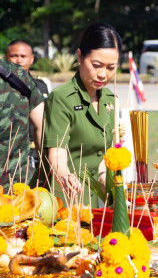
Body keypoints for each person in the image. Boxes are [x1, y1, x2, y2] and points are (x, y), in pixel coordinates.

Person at [40, 22, 121, 203]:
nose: (103, 74)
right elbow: (57, 153)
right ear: (79, 56)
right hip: (71, 195)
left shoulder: (110, 99)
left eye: (110, 68)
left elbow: (105, 152)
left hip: (103, 197)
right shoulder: (62, 98)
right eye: (97, 65)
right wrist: (65, 176)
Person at [6, 40, 51, 170]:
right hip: (11, 152)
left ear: (31, 59)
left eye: (23, 56)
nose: (19, 60)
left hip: (37, 149)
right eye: (14, 56)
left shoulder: (42, 85)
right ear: (6, 58)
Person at [0, 59, 44, 189]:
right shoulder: (16, 72)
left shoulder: (15, 74)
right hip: (19, 189)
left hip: (17, 187)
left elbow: (41, 126)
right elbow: (42, 126)